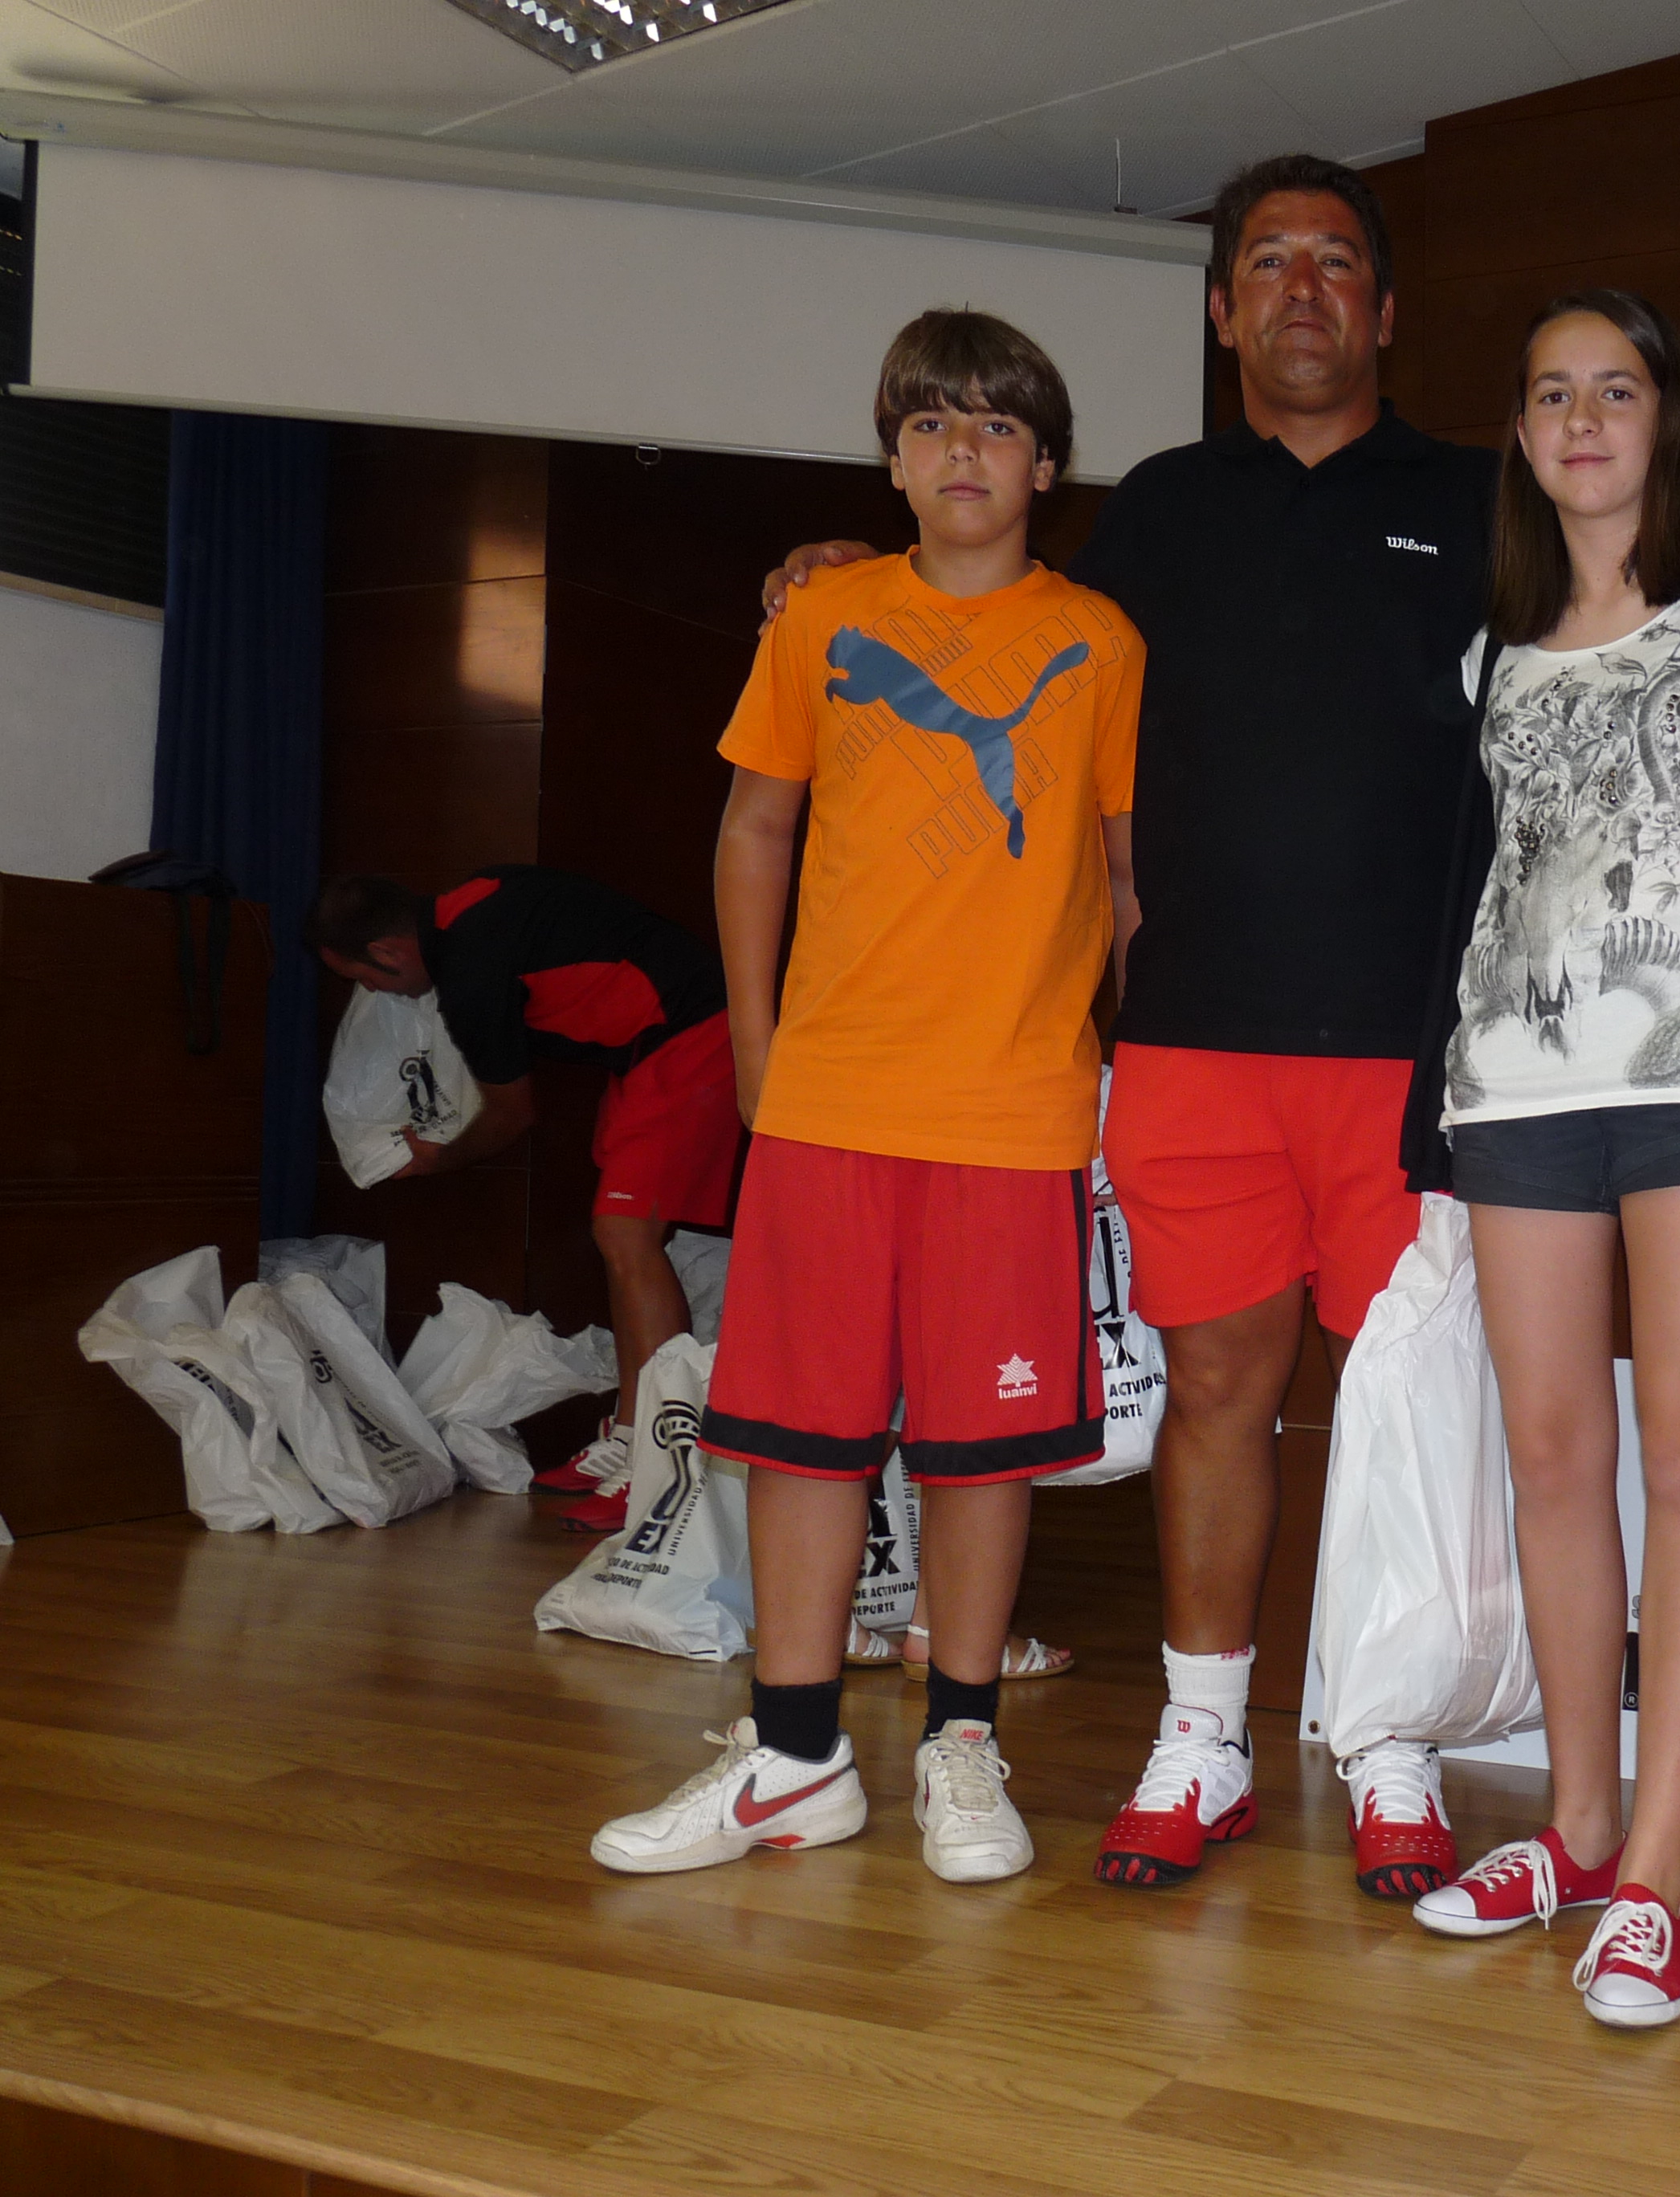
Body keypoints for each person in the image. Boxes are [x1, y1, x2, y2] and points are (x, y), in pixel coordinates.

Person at [762, 153, 1680, 1902]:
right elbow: (998, 613)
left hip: (1429, 1058)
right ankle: (1203, 1738)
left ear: (1385, 313)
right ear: (1221, 308)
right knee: (1217, 1394)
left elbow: (1631, 578)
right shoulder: (1157, 510)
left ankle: (1392, 1739)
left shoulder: (1488, 498)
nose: (1301, 288)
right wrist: (843, 570)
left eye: (1335, 262)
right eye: (1267, 262)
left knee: (1416, 1414)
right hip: (1193, 1045)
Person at [589, 309, 1140, 1885]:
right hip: (829, 1101)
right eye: (931, 423)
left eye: (998, 424)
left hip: (1014, 1112)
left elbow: (1122, 881)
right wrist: (758, 1049)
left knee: (981, 1451)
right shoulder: (823, 620)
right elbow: (753, 832)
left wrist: (1130, 1074)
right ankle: (794, 1758)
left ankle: (962, 1741)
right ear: (892, 461)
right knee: (801, 1437)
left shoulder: (1102, 643)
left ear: (1047, 464)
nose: (965, 449)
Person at [1394, 291, 1680, 2027]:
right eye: (1551, 395)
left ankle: (1655, 1871)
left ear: (1668, 417)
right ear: (1519, 433)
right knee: (1551, 1455)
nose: (1583, 420)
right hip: (1513, 1084)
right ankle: (1576, 1830)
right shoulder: (1488, 651)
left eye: (1617, 390)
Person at [306, 866, 734, 1526]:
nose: (370, 992)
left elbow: (511, 1115)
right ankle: (631, 1435)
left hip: (691, 1029)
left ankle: (662, 1461)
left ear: (388, 951)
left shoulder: (470, 975)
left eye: (363, 978)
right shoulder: (469, 904)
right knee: (621, 1239)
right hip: (647, 1045)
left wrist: (438, 1158)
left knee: (626, 1236)